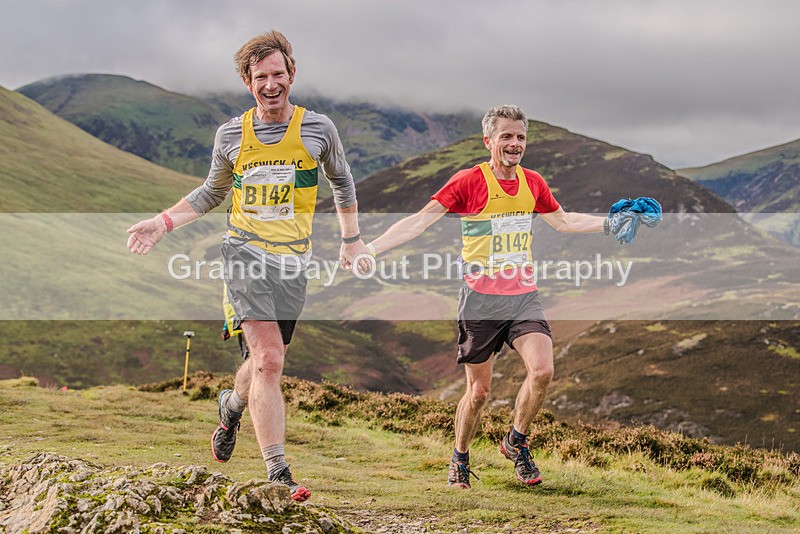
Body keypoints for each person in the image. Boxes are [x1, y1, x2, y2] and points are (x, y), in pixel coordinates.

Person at [127, 30, 369, 502]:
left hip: (293, 262)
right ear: (247, 81)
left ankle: (232, 405)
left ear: (292, 75)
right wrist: (162, 223)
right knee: (269, 359)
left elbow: (342, 182)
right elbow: (211, 192)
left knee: (260, 367)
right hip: (243, 254)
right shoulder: (231, 134)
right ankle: (278, 471)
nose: (271, 84)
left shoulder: (319, 130)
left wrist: (352, 240)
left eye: (279, 74)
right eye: (261, 77)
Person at [363, 104, 655, 489]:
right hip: (480, 302)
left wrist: (609, 223)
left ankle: (515, 442)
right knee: (479, 392)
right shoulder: (469, 181)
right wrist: (371, 249)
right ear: (489, 141)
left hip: (522, 298)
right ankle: (460, 457)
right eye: (506, 136)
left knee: (543, 371)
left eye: (520, 137)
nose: (514, 143)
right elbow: (418, 221)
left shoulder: (533, 183)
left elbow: (563, 221)